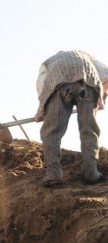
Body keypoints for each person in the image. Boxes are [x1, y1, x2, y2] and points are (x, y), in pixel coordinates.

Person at [34, 50, 108, 187]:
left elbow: (44, 89)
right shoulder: (88, 58)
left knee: (51, 132)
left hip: (60, 85)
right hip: (88, 84)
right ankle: (91, 174)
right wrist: (101, 99)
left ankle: (53, 176)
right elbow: (105, 77)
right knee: (89, 131)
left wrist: (42, 110)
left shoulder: (48, 66)